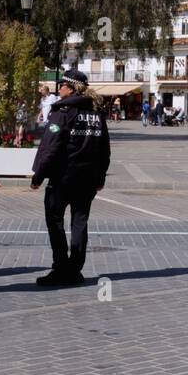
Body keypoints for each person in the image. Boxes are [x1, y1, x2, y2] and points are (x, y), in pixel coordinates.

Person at [30, 70, 111, 286]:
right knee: (80, 222)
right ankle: (74, 270)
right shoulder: (96, 113)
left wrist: (38, 175)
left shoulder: (63, 112)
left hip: (63, 177)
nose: (60, 89)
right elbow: (104, 149)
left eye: (63, 85)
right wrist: (101, 176)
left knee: (54, 219)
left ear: (72, 88)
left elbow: (52, 146)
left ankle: (61, 268)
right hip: (88, 179)